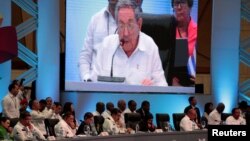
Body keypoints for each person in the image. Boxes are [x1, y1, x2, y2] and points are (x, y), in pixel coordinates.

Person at [92, 0, 167, 86]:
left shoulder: (150, 47)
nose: (125, 33)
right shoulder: (106, 46)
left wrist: (151, 90)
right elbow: (93, 85)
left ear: (139, 24)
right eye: (121, 25)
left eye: (130, 25)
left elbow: (163, 87)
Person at [78, 0, 119, 82]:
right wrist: (86, 78)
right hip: (95, 84)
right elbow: (85, 56)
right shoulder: (96, 19)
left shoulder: (132, 22)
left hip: (122, 86)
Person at [171, 0, 197, 86]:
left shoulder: (199, 32)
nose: (179, 7)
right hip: (172, 83)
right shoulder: (168, 31)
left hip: (194, 82)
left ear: (190, 7)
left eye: (182, 2)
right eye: (176, 4)